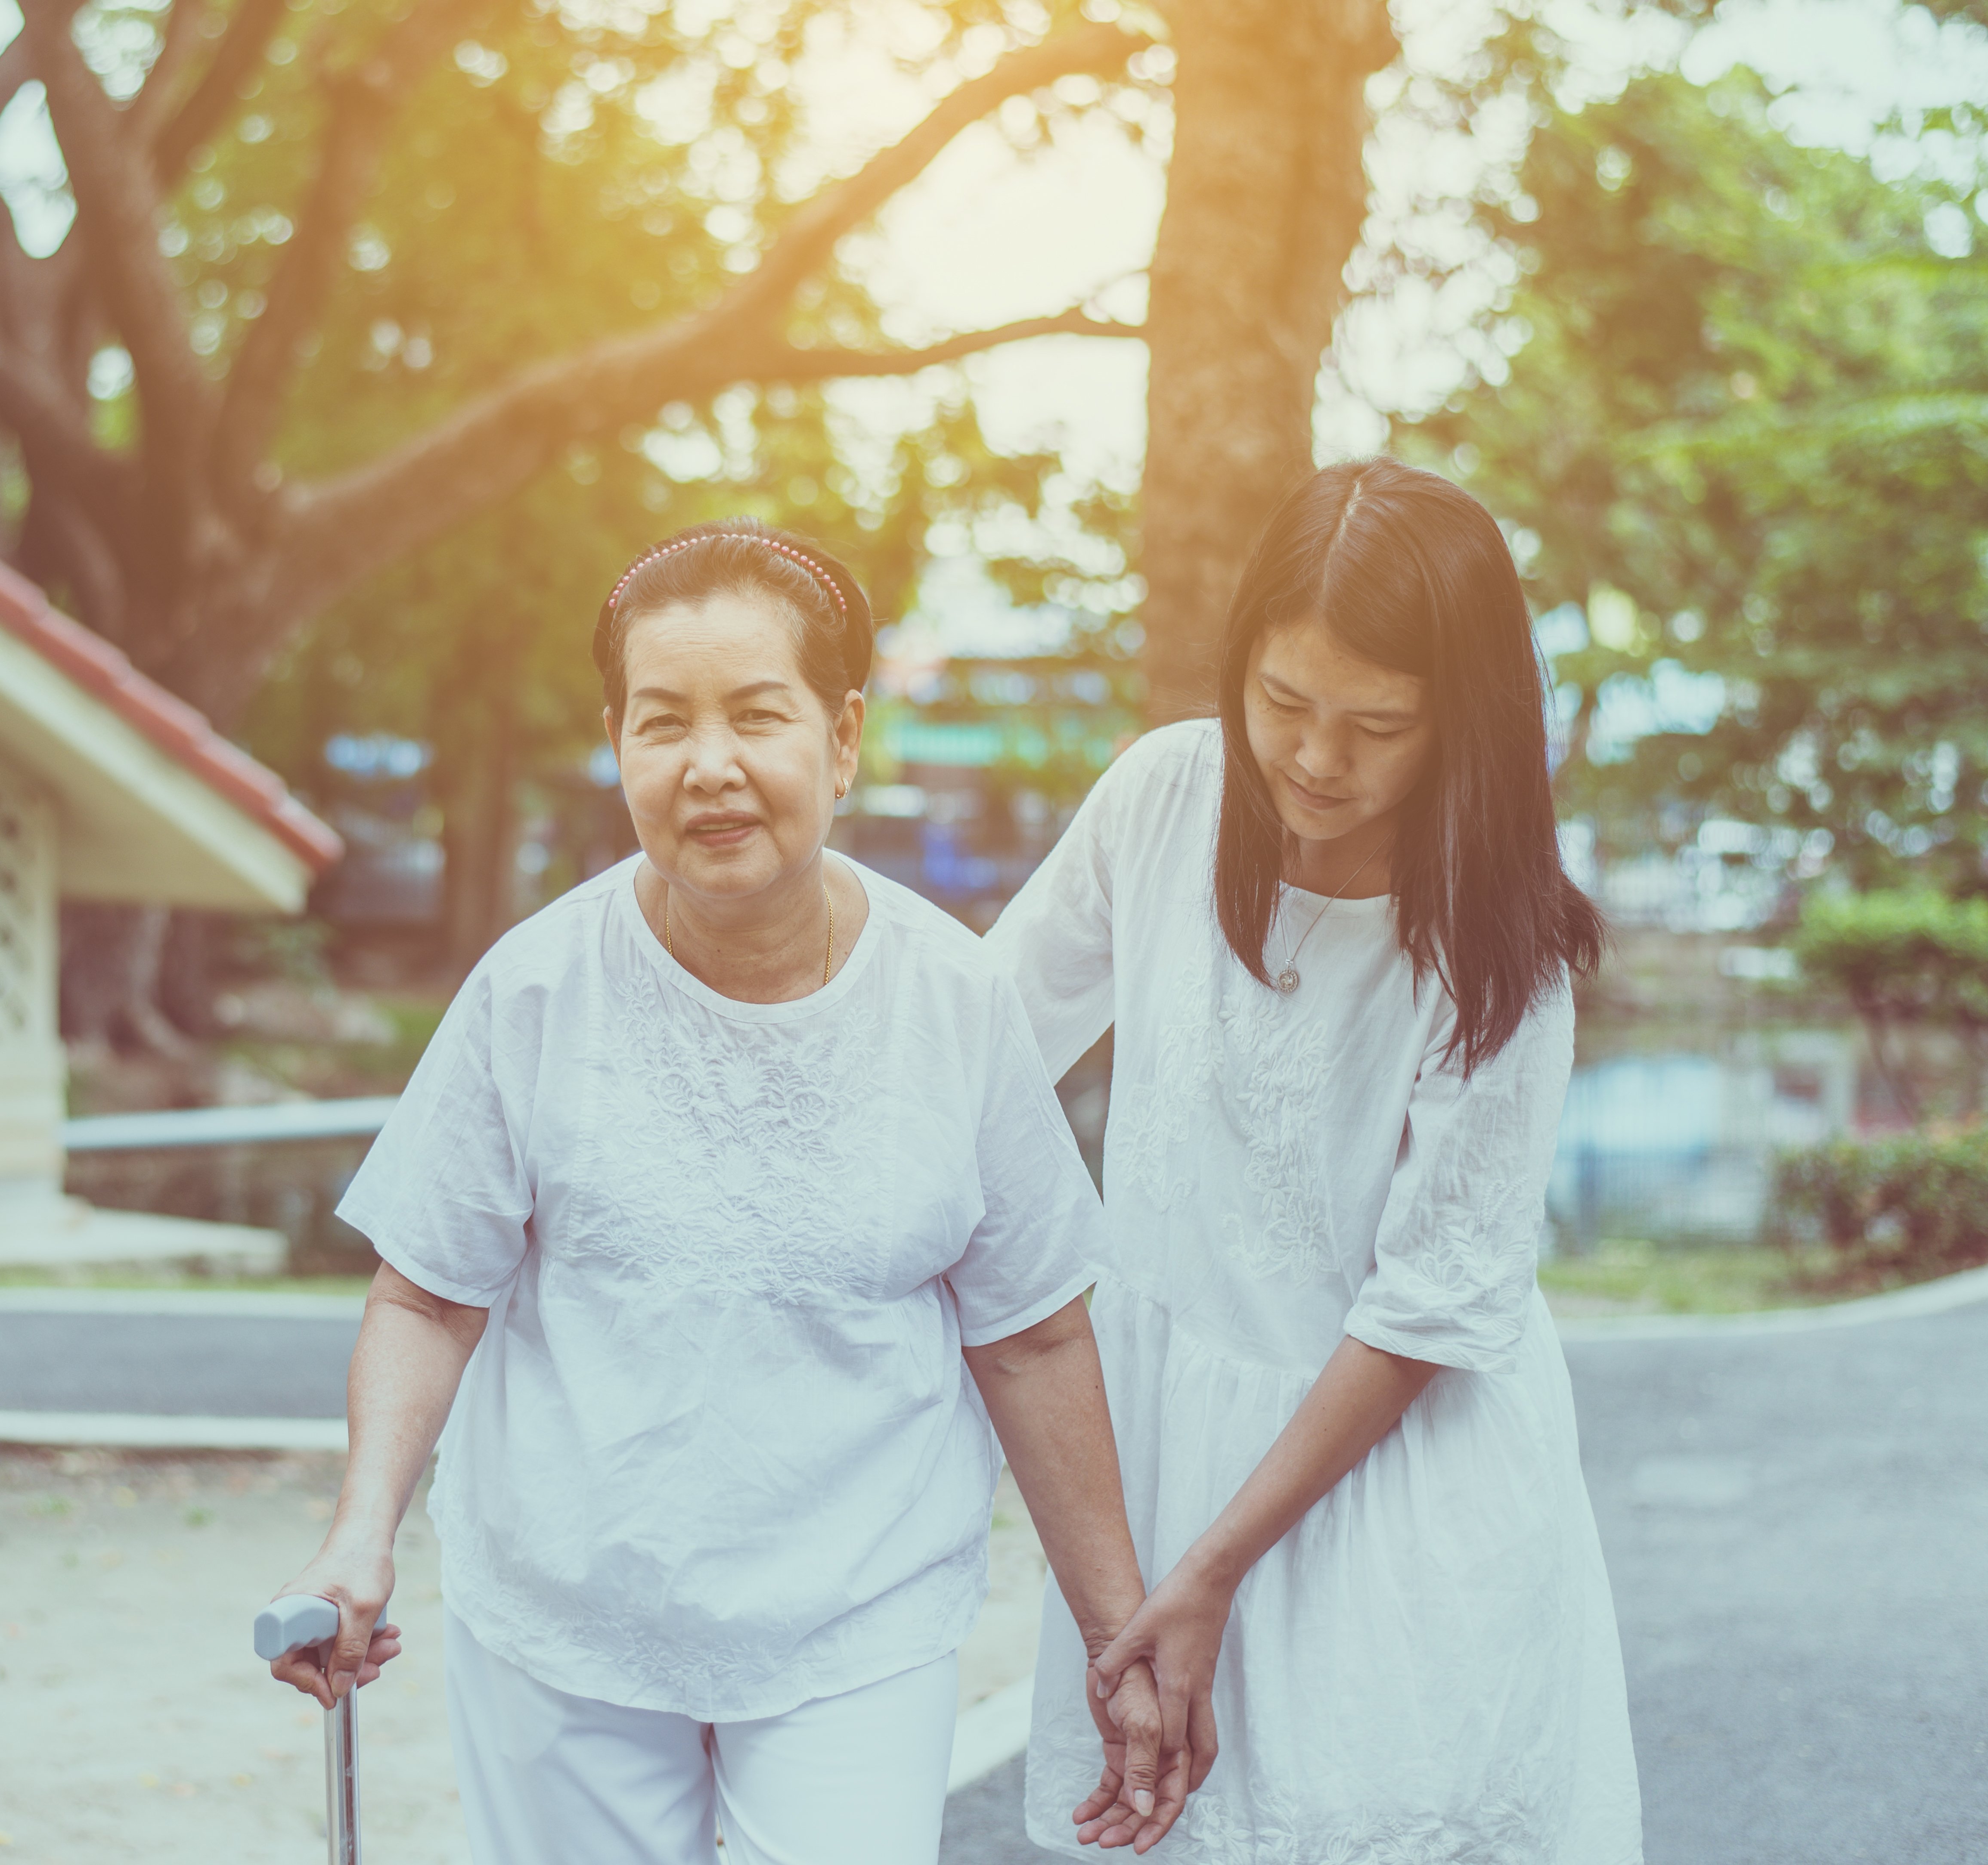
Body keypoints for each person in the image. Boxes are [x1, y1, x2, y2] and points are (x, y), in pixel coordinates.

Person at [264, 520, 1188, 1865]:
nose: (709, 768)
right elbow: (426, 1292)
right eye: (661, 724)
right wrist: (358, 1535)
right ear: (618, 742)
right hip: (568, 1612)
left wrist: (1116, 1634)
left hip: (853, 1616)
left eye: (758, 716)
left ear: (843, 736)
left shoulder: (954, 1003)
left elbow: (1033, 1328)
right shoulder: (531, 991)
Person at [991, 459, 1643, 1859]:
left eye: (1376, 726)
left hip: (1389, 1471)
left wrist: (1210, 1571)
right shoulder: (1165, 797)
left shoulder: (1497, 951)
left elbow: (1426, 1308)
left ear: (1458, 724)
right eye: (1282, 702)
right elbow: (982, 1047)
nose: (1314, 759)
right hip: (1170, 1441)